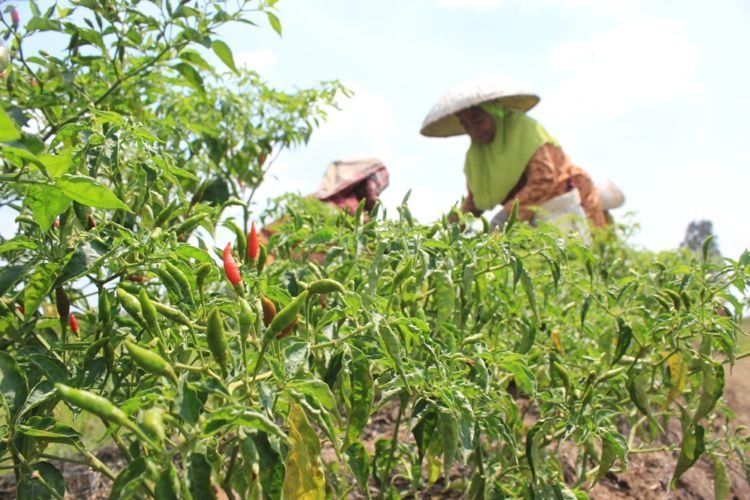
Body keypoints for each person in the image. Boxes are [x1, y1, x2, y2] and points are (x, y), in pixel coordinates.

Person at [421, 79, 606, 228]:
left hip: (559, 209)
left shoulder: (525, 131)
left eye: (478, 121)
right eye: (466, 125)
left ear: (494, 113)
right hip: (525, 222)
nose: (474, 131)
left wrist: (504, 216)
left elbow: (544, 179)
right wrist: (451, 226)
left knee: (571, 266)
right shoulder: (477, 156)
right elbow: (476, 201)